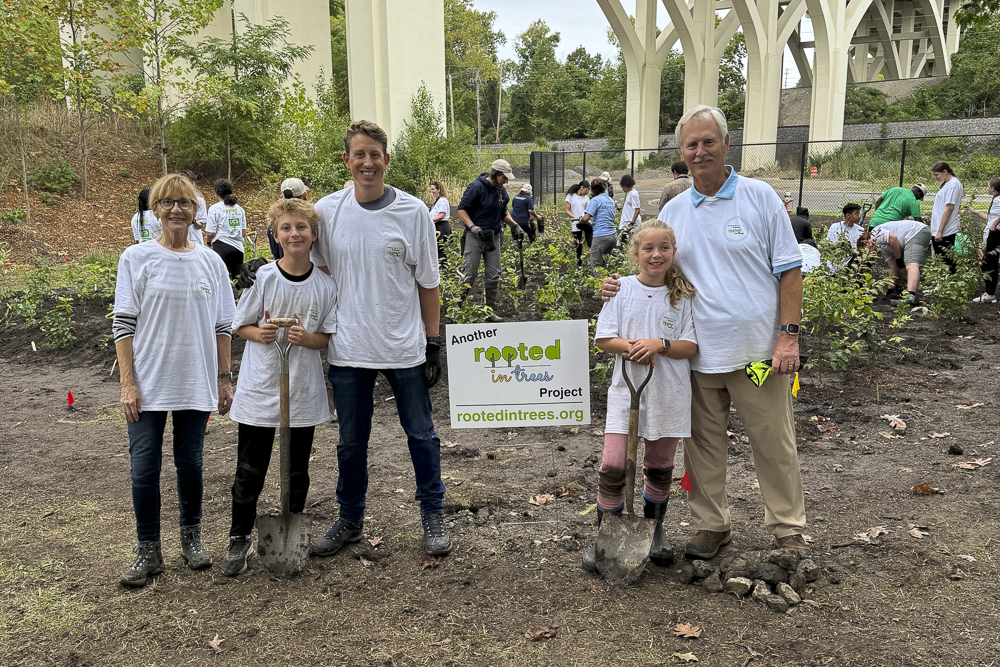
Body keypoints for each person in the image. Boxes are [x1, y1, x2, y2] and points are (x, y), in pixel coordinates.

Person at [602, 105, 807, 558]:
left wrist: (788, 335)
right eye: (691, 144)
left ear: (726, 144)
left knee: (772, 440)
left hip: (757, 356)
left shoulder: (759, 197)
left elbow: (790, 270)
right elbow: (654, 267)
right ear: (681, 151)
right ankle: (711, 525)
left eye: (708, 141)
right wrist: (618, 285)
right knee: (701, 449)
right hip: (694, 358)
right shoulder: (675, 209)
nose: (700, 151)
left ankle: (788, 528)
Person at [304, 120, 451, 559]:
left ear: (386, 160)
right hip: (348, 347)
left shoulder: (412, 213)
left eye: (375, 154)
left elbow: (428, 283)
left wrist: (432, 342)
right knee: (351, 441)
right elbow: (315, 267)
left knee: (422, 435)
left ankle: (433, 513)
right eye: (359, 154)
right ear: (347, 161)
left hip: (403, 347)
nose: (368, 162)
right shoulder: (328, 212)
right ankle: (349, 518)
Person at [112, 173, 236, 587]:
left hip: (194, 381)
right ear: (155, 209)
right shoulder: (136, 258)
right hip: (148, 382)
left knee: (191, 464)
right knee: (143, 468)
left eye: (185, 202)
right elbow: (124, 326)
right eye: (168, 202)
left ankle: (192, 538)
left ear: (197, 210)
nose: (177, 209)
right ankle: (148, 549)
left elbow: (223, 326)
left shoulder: (211, 261)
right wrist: (128, 384)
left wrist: (224, 378)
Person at [221, 198, 338, 576]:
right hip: (261, 388)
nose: (294, 234)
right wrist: (262, 332)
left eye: (301, 227)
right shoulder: (264, 278)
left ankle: (293, 524)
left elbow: (328, 338)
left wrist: (309, 338)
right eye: (286, 228)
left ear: (314, 234)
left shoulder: (324, 284)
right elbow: (241, 326)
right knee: (250, 468)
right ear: (275, 236)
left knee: (297, 468)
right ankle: (238, 537)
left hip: (302, 390)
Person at [584, 219, 698, 572]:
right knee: (613, 465)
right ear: (635, 254)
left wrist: (660, 345)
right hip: (627, 392)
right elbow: (604, 339)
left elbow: (690, 346)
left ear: (673, 253)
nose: (656, 254)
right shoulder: (621, 291)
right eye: (648, 248)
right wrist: (635, 346)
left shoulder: (682, 297)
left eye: (664, 248)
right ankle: (608, 534)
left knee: (660, 466)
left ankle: (655, 529)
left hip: (669, 393)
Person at [456, 159, 526, 322]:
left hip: (493, 236)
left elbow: (503, 214)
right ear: (495, 174)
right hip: (475, 236)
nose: (506, 181)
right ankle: (456, 308)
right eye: (504, 178)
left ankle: (489, 312)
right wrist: (472, 226)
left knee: (493, 275)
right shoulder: (477, 187)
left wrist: (515, 226)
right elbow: (461, 209)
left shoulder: (501, 192)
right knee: (469, 275)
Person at [866, 219, 932, 306]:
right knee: (902, 265)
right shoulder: (881, 247)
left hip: (917, 231)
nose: (869, 251)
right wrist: (891, 289)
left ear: (867, 242)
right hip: (916, 233)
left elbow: (893, 238)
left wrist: (898, 257)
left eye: (867, 248)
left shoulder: (875, 234)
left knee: (911, 265)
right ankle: (898, 290)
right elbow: (893, 268)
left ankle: (911, 297)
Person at [964, 177, 1000, 303]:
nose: (987, 188)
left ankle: (990, 294)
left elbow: (994, 220)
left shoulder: (999, 200)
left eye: (988, 186)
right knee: (986, 263)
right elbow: (989, 218)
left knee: (989, 263)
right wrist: (974, 212)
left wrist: (994, 224)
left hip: (995, 235)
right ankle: (988, 292)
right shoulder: (996, 199)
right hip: (992, 234)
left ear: (993, 189)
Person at [205, 179, 247, 280]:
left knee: (222, 280)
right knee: (238, 280)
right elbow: (243, 233)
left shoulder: (214, 208)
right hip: (238, 249)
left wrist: (208, 241)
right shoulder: (239, 209)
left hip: (221, 247)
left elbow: (210, 233)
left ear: (216, 192)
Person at [930, 162, 963, 273]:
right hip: (939, 229)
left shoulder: (953, 184)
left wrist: (939, 231)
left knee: (947, 262)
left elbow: (949, 209)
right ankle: (944, 286)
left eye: (936, 175)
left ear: (945, 171)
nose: (935, 178)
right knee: (942, 261)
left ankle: (950, 286)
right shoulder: (947, 183)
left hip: (946, 231)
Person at [580, 178, 618, 272]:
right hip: (612, 236)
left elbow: (586, 218)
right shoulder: (611, 200)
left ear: (592, 190)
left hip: (601, 236)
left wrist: (580, 221)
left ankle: (600, 285)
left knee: (596, 264)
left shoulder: (595, 200)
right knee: (606, 264)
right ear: (604, 188)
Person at [269, 177, 310, 260]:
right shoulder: (312, 222)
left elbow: (276, 256)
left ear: (282, 197)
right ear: (305, 195)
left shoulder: (274, 224)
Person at [565, 181, 592, 268]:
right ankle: (579, 263)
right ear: (582, 188)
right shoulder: (571, 196)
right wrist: (575, 217)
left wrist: (585, 218)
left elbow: (589, 210)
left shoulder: (586, 199)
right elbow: (567, 210)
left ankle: (591, 261)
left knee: (590, 241)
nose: (587, 192)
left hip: (585, 222)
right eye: (587, 190)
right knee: (578, 243)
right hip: (576, 222)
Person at [179, 170, 208, 245]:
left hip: (195, 240)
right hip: (178, 240)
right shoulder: (173, 201)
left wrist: (195, 222)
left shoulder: (200, 201)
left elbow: (201, 224)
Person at [429, 180, 452, 261]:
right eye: (431, 189)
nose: (432, 191)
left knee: (441, 249)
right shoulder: (437, 201)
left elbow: (442, 215)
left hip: (441, 227)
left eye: (433, 189)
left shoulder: (442, 201)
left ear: (438, 190)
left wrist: (430, 220)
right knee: (436, 249)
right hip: (437, 226)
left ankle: (443, 269)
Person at [618, 175, 641, 246]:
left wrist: (632, 222)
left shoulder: (633, 194)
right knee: (623, 241)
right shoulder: (629, 193)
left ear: (625, 186)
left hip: (631, 222)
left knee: (623, 242)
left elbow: (637, 209)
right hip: (627, 221)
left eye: (622, 187)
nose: (622, 189)